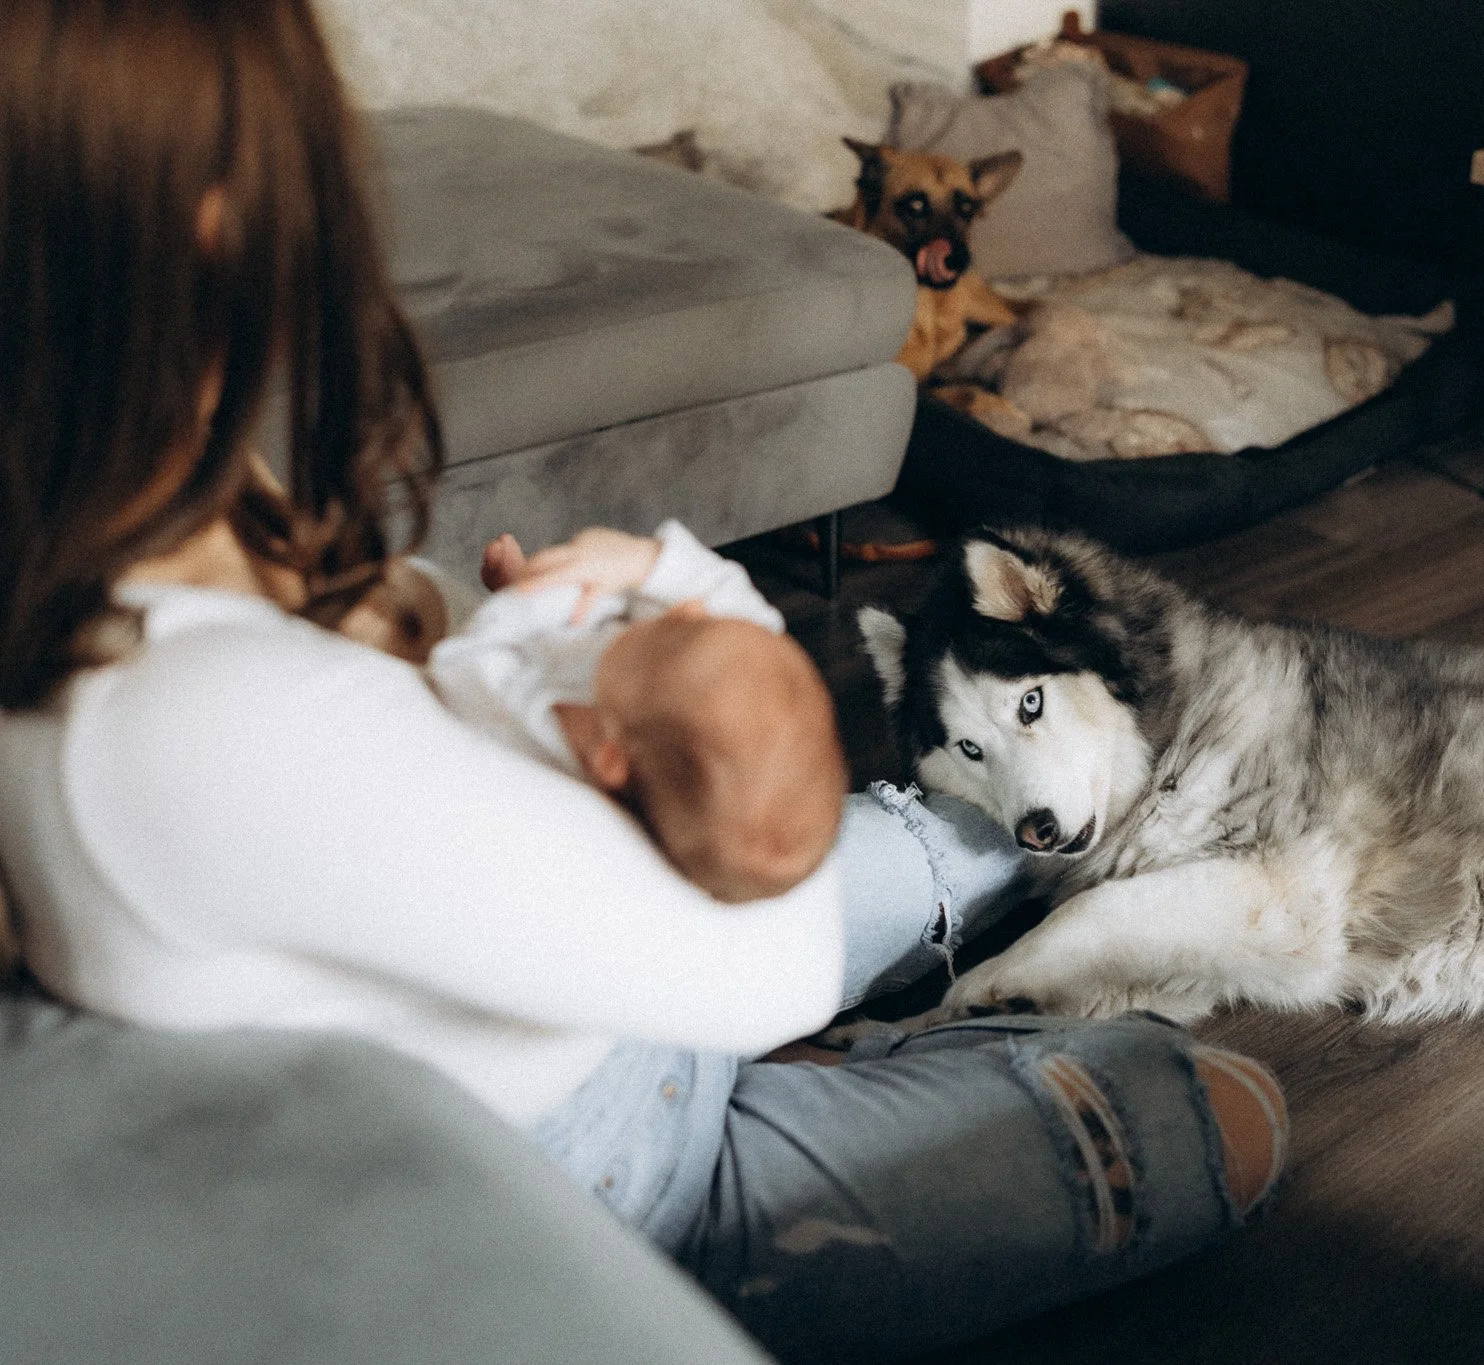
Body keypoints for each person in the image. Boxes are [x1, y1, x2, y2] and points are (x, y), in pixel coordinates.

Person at [0, 3, 1289, 1361]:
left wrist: (486, 631)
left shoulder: (123, 503)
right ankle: (889, 1058)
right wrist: (699, 605)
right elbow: (766, 956)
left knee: (999, 837)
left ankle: (929, 976)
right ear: (217, 226)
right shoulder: (183, 723)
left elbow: (414, 729)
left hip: (604, 940)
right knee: (1223, 1109)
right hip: (603, 1146)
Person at [428, 521, 845, 903]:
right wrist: (644, 562)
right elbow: (720, 592)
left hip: (537, 636)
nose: (689, 610)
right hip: (601, 629)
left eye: (683, 631)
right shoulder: (743, 657)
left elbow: (463, 662)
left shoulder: (543, 739)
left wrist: (529, 594)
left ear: (609, 757)